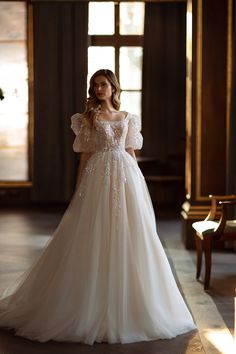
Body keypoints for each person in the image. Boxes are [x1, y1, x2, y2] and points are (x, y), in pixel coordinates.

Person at [0, 69, 196, 345]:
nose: (99, 89)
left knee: (131, 234)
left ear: (114, 87)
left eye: (103, 84)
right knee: (94, 231)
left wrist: (139, 185)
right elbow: (86, 156)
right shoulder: (87, 119)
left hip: (126, 176)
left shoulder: (128, 118)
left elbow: (130, 153)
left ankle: (133, 304)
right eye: (95, 85)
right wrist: (79, 187)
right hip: (99, 175)